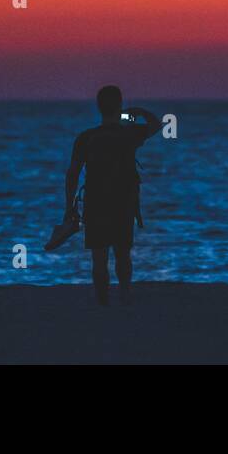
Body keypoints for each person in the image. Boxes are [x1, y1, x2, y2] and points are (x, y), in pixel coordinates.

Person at [64, 85, 162, 305]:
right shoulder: (129, 133)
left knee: (99, 258)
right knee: (122, 254)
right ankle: (125, 295)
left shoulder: (86, 137)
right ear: (119, 105)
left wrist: (68, 207)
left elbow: (72, 174)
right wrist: (137, 111)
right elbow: (157, 124)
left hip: (95, 203)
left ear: (98, 107)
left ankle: (102, 301)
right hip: (123, 203)